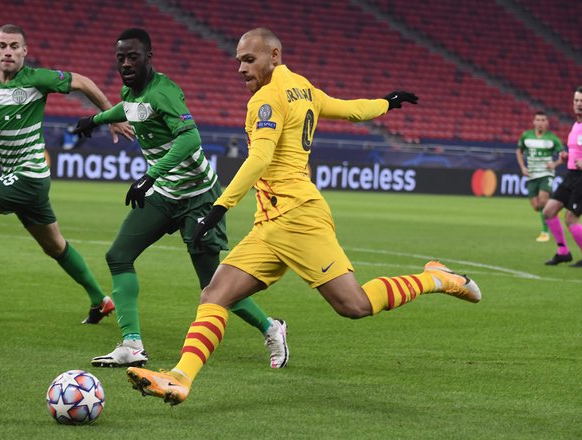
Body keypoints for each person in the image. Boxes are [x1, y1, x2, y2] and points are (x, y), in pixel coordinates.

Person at [124, 27, 482, 406]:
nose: (241, 69)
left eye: (250, 60)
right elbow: (350, 109)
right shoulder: (302, 87)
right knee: (214, 293)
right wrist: (386, 103)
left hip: (298, 217)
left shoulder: (267, 99)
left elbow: (259, 159)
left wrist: (218, 208)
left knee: (354, 305)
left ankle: (436, 279)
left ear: (274, 55)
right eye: (239, 61)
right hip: (270, 225)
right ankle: (180, 378)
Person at [72, 28, 288, 369]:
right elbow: (131, 110)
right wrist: (96, 120)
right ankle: (131, 345)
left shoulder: (165, 91)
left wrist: (150, 175)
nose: (126, 64)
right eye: (120, 58)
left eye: (133, 57)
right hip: (166, 194)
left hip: (199, 197)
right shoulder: (132, 91)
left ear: (149, 59)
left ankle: (271, 327)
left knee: (213, 284)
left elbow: (190, 139)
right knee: (119, 255)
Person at [0, 24, 134, 324]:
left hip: (29, 175)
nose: (8, 51)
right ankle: (101, 301)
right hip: (22, 180)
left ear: (24, 51)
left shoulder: (36, 78)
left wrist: (110, 116)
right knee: (55, 246)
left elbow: (83, 82)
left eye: (14, 46)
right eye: (2, 45)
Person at [542, 86, 582, 267]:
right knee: (548, 211)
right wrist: (566, 158)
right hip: (571, 175)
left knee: (570, 218)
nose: (579, 104)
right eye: (576, 101)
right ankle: (563, 252)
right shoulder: (576, 125)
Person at [516, 111, 564, 242]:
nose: (541, 123)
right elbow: (519, 151)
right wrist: (522, 167)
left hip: (546, 174)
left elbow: (564, 155)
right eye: (538, 120)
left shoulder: (552, 138)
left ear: (547, 123)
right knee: (537, 206)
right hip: (532, 175)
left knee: (543, 200)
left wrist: (555, 164)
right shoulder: (526, 136)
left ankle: (545, 232)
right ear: (534, 122)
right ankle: (553, 210)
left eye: (543, 120)